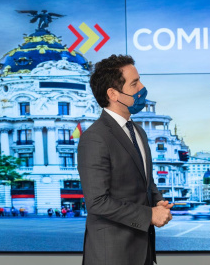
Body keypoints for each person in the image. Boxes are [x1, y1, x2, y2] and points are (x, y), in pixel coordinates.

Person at [78, 54, 172, 265]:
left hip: (143, 250)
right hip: (111, 254)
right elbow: (97, 202)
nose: (142, 88)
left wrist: (158, 201)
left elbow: (145, 180)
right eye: (135, 83)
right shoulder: (95, 137)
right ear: (113, 94)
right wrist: (149, 215)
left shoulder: (139, 131)